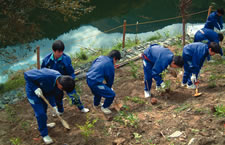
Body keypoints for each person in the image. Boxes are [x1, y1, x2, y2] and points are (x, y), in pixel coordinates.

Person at [24, 68, 75, 144]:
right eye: (63, 89)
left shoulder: (60, 82)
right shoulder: (45, 76)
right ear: (60, 85)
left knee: (44, 109)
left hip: (45, 93)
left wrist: (53, 105)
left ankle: (44, 124)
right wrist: (35, 88)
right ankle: (44, 134)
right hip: (33, 94)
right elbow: (26, 74)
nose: (62, 90)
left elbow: (51, 93)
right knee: (40, 114)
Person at [41, 40, 89, 115]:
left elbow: (70, 72)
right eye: (58, 52)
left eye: (62, 51)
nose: (61, 53)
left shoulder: (66, 59)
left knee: (74, 95)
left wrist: (71, 81)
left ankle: (81, 108)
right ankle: (60, 110)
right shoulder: (46, 60)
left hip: (66, 81)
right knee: (58, 98)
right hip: (55, 83)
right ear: (53, 51)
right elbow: (43, 72)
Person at [86, 50, 121, 114]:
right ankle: (104, 107)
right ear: (114, 58)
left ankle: (96, 104)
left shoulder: (101, 57)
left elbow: (95, 65)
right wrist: (109, 88)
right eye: (116, 60)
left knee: (97, 92)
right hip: (95, 83)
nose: (115, 62)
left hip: (88, 78)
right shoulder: (110, 65)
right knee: (111, 95)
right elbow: (110, 79)